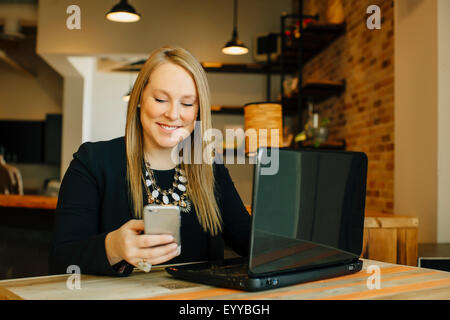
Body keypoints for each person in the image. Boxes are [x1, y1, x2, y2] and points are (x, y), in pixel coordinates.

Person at [49, 46, 251, 277]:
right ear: (139, 99)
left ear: (198, 111)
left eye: (187, 104)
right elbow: (61, 260)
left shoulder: (210, 166)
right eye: (161, 99)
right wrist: (113, 247)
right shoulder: (92, 162)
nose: (173, 114)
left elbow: (249, 243)